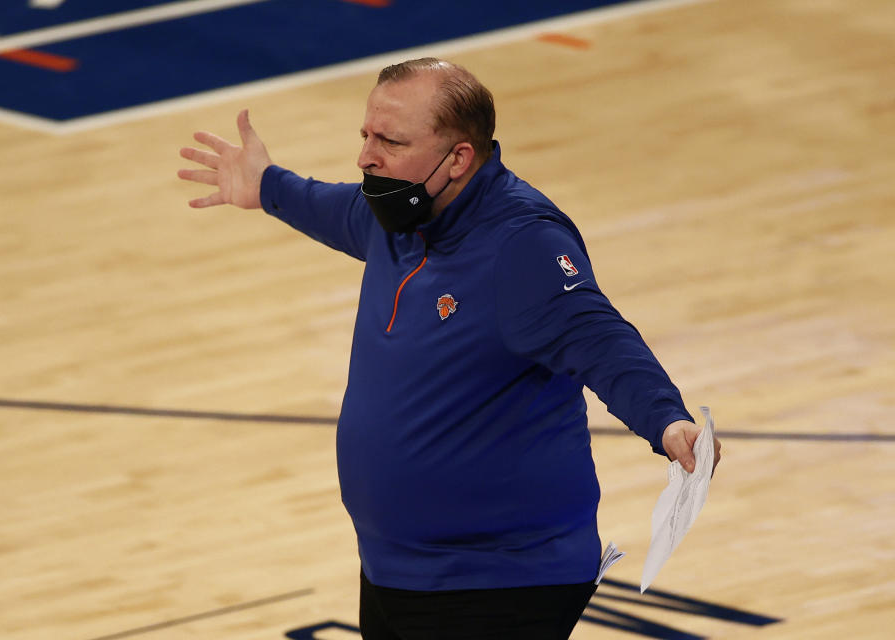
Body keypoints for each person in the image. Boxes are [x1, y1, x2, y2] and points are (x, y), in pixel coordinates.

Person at [178, 57, 721, 640]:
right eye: (365, 135)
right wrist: (267, 185)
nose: (366, 156)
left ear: (458, 158)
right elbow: (337, 209)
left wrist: (665, 419)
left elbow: (602, 339)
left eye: (390, 140)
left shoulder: (522, 244)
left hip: (498, 583)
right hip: (398, 571)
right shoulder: (399, 215)